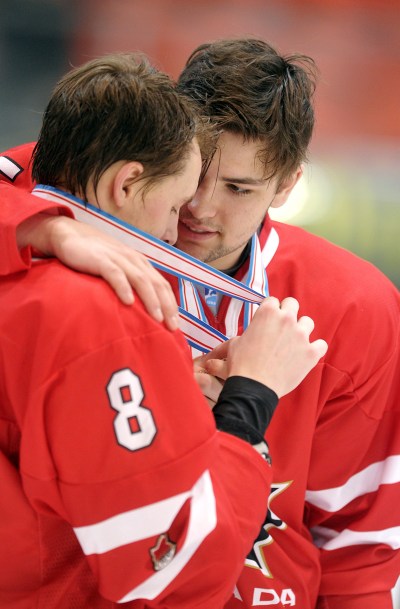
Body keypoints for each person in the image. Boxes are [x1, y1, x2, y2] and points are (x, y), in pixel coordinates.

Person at [1, 37, 399, 608]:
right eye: (196, 174)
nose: (199, 209)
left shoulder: (352, 308)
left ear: (287, 184)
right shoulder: (89, 190)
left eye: (239, 188)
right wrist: (44, 226)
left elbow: (361, 547)